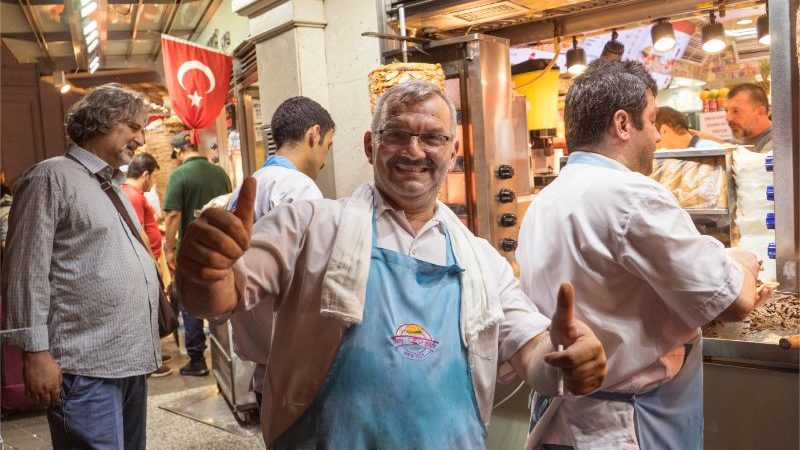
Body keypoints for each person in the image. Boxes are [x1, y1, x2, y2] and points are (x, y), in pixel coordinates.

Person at [175, 81, 607, 448]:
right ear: (370, 145)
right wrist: (204, 272)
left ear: (452, 152)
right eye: (398, 134)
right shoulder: (309, 224)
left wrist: (562, 363)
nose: (415, 150)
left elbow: (531, 351)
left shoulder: (481, 261)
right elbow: (219, 296)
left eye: (433, 138)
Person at [517, 60, 770, 450]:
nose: (656, 136)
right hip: (621, 429)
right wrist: (743, 262)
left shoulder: (544, 200)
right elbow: (735, 301)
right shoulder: (632, 195)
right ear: (622, 124)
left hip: (560, 425)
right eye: (651, 121)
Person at [2, 84, 161, 448]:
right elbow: (25, 273)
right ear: (101, 122)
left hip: (128, 360)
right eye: (133, 126)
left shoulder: (110, 184)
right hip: (82, 366)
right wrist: (35, 354)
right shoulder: (50, 177)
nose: (141, 137)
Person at [226, 96, 335, 407]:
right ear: (314, 134)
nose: (325, 158)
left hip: (263, 362)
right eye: (327, 144)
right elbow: (316, 275)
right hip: (295, 370)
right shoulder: (298, 189)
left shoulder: (245, 187)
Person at [164, 130, 231, 376]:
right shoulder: (220, 172)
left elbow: (172, 215)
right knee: (220, 297)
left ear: (179, 151)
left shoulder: (179, 175)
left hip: (192, 252)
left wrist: (169, 248)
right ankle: (225, 357)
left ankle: (197, 359)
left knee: (190, 303)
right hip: (222, 248)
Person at [121, 152, 173, 378]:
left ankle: (154, 356)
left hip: (146, 258)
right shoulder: (133, 195)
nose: (153, 183)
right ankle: (151, 360)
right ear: (145, 174)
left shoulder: (131, 193)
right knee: (149, 311)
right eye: (153, 177)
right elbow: (138, 231)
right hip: (144, 261)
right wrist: (152, 264)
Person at [725, 83, 772, 153]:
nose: (728, 118)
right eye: (726, 111)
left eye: (736, 111)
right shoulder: (736, 142)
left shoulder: (778, 142)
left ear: (760, 112)